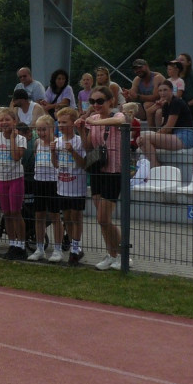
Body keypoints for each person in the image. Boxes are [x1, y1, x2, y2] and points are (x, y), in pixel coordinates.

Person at [75, 86, 128, 270]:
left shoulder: (118, 115)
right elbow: (88, 146)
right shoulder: (93, 119)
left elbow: (118, 121)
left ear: (110, 101)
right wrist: (83, 129)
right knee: (102, 219)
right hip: (98, 170)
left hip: (113, 171)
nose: (96, 105)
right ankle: (111, 253)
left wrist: (92, 121)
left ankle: (123, 254)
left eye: (100, 101)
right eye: (92, 102)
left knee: (103, 218)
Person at [0, 108, 28, 260]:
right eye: (1, 120)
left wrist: (14, 139)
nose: (4, 123)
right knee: (7, 213)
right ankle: (12, 244)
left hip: (15, 178)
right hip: (1, 179)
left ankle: (21, 245)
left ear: (14, 122)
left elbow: (16, 157)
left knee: (16, 212)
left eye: (7, 120)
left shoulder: (21, 139)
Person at [52, 107, 87, 265]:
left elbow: (84, 164)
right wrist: (53, 152)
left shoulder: (79, 141)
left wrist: (72, 151)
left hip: (77, 187)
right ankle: (73, 245)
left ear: (73, 123)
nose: (61, 125)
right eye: (59, 122)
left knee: (76, 216)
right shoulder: (57, 141)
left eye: (64, 122)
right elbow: (55, 164)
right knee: (66, 217)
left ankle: (75, 247)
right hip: (62, 186)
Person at [139, 80, 193, 167]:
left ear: (171, 90)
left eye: (165, 90)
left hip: (185, 136)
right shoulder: (166, 105)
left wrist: (154, 134)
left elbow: (168, 128)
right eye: (160, 91)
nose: (162, 93)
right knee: (140, 140)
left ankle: (155, 165)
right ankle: (153, 164)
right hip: (173, 135)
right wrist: (156, 106)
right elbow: (149, 112)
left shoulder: (176, 102)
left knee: (145, 138)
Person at [28, 115, 62, 261]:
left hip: (53, 183)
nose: (41, 133)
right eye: (39, 130)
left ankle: (58, 249)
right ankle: (40, 248)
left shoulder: (58, 143)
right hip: (39, 181)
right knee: (39, 216)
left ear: (52, 128)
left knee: (55, 216)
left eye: (44, 129)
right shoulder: (37, 143)